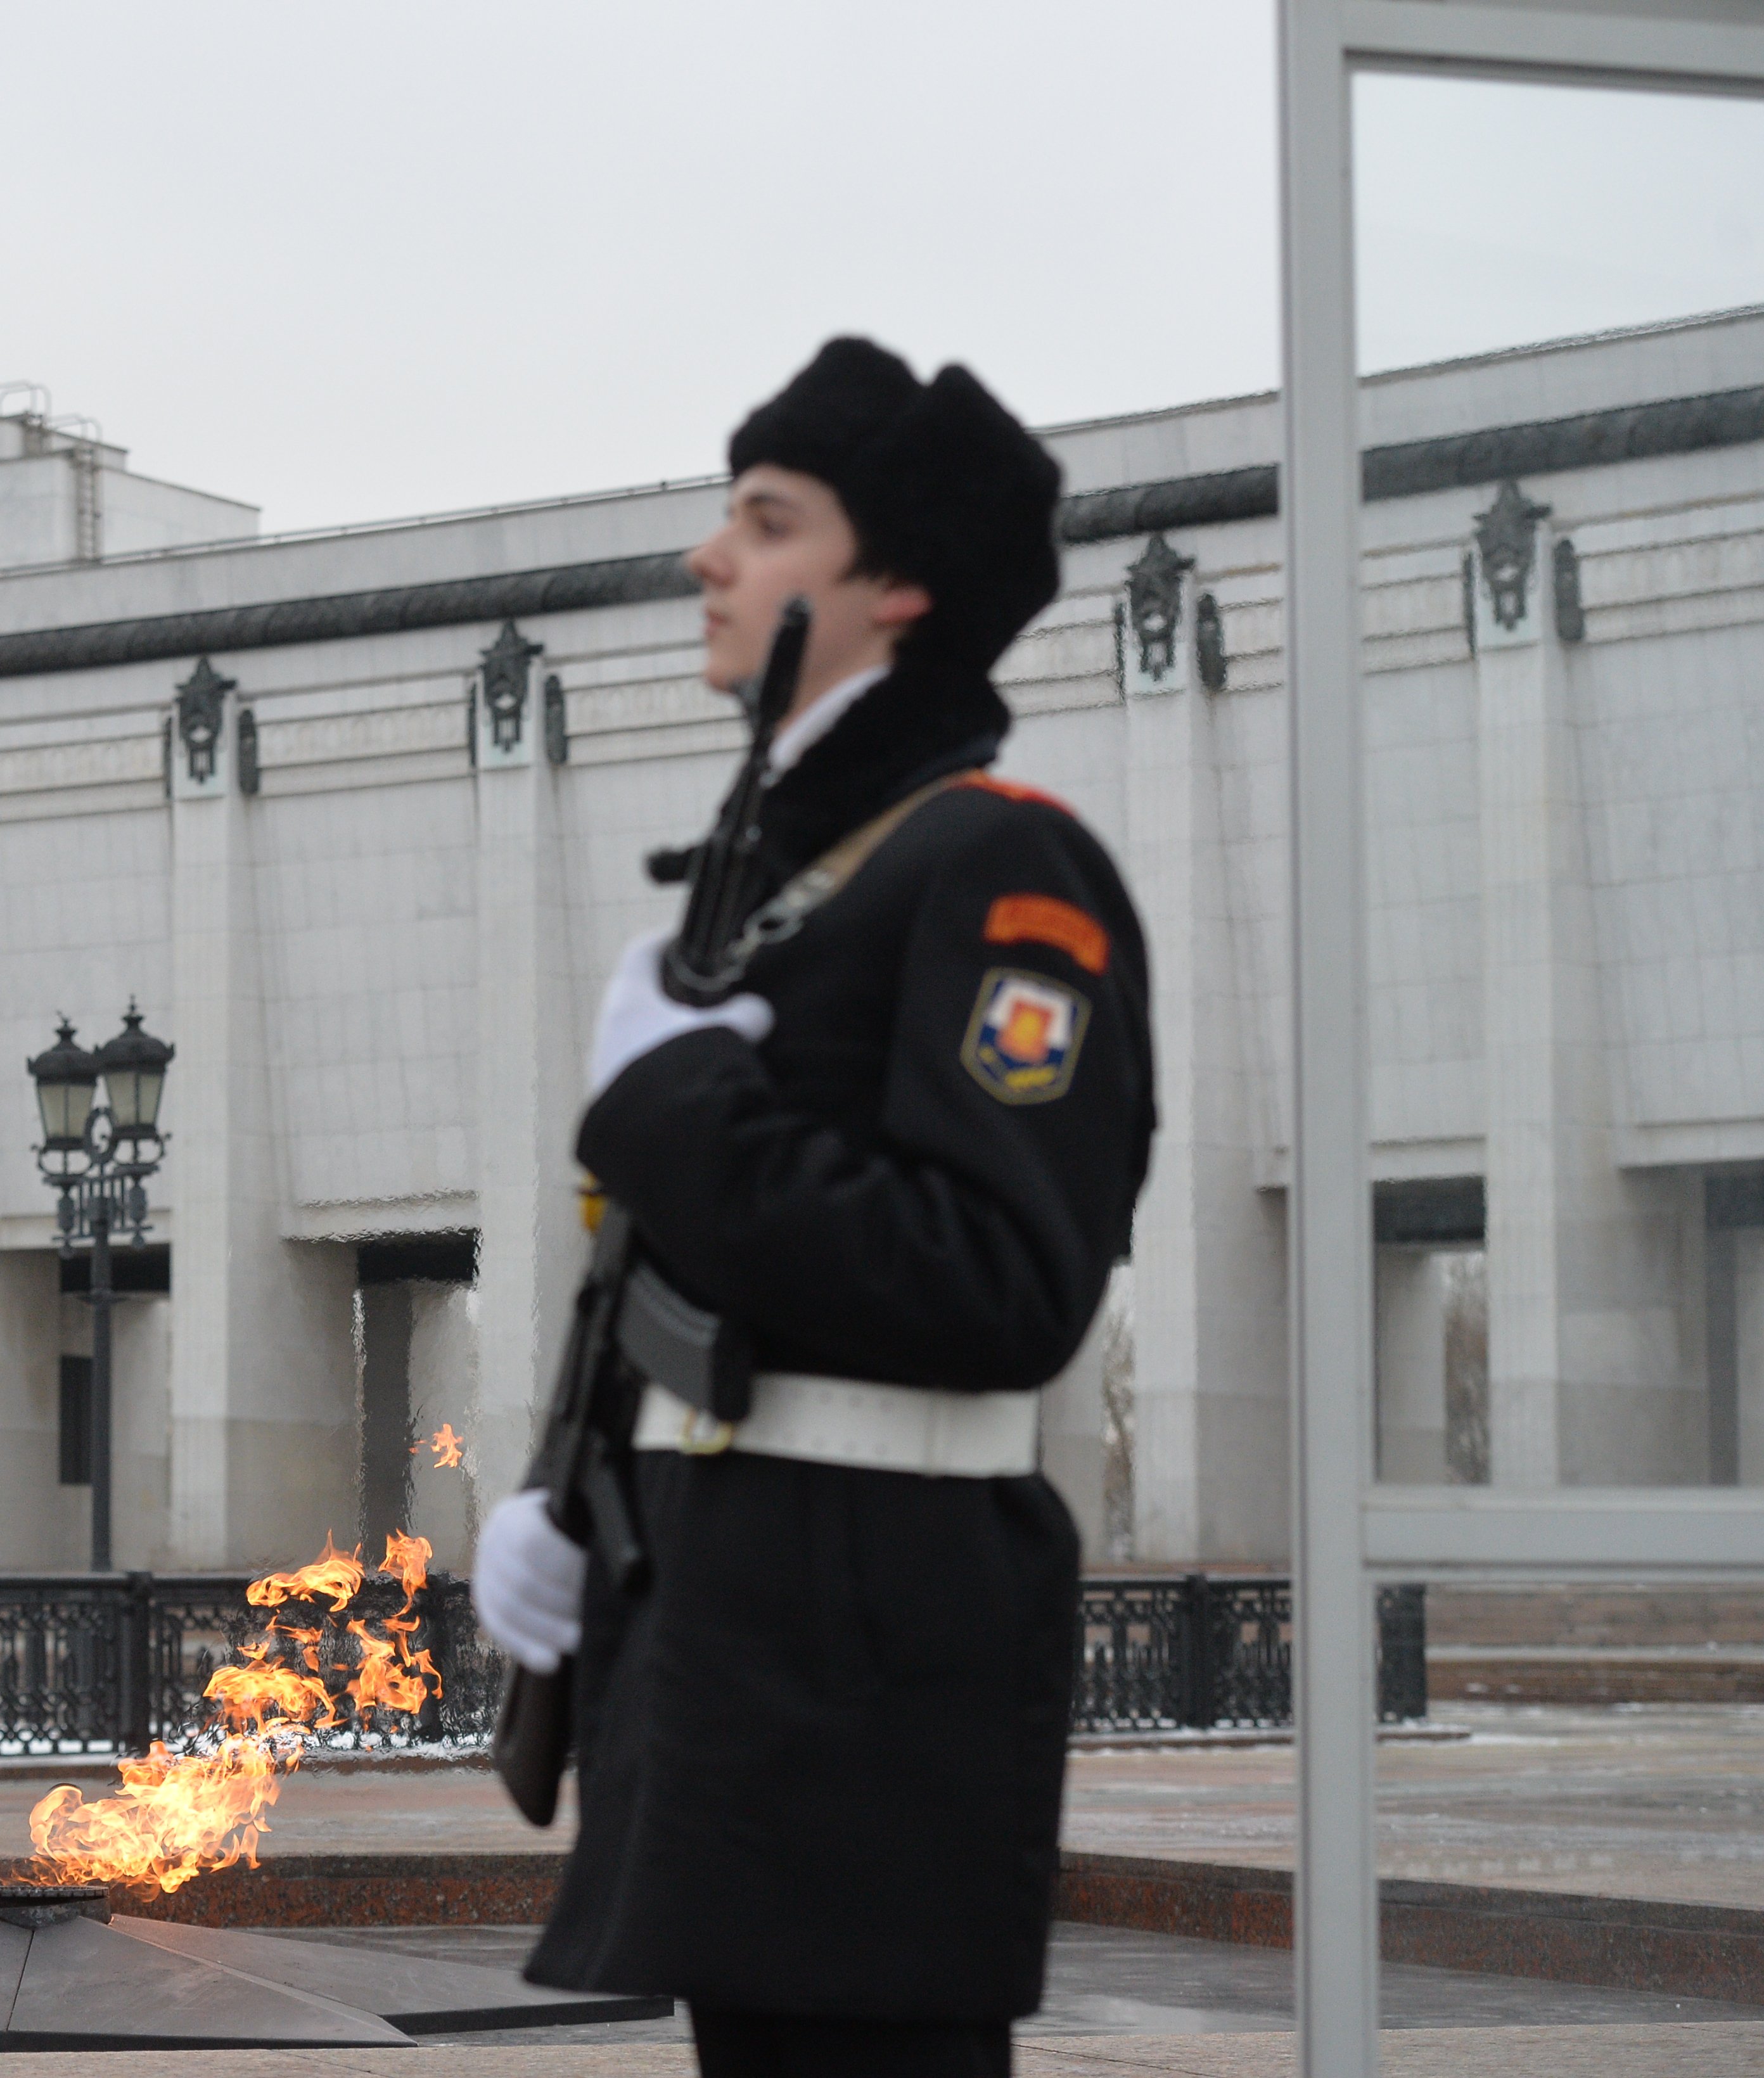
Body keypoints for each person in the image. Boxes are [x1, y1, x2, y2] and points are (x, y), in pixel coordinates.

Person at [475, 338, 1157, 2077]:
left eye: (769, 525)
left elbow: (1002, 1279)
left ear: (901, 586)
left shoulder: (1001, 865)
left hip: (869, 1667)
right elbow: (702, 1271)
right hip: (759, 1645)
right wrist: (576, 1490)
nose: (713, 560)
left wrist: (674, 1096)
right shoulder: (803, 876)